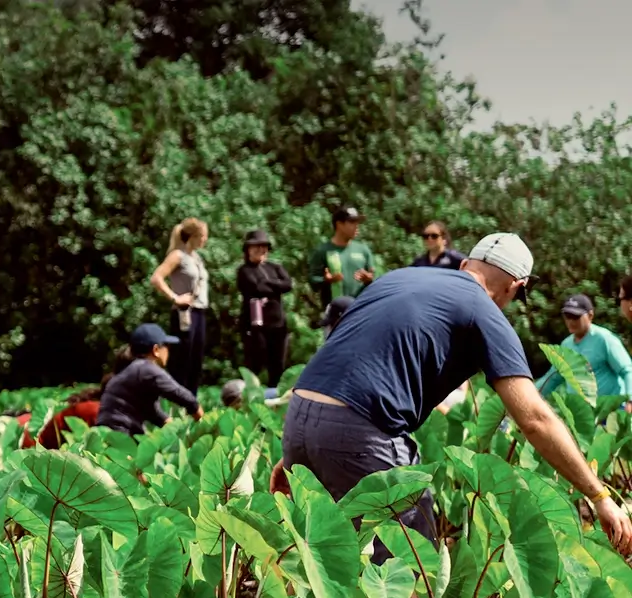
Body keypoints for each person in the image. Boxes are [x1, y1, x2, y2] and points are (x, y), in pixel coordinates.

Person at [274, 233, 632, 557]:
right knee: (412, 562)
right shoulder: (484, 310)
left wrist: (302, 445)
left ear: (464, 265)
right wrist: (598, 495)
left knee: (329, 558)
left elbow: (341, 354)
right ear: (515, 286)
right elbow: (534, 419)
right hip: (359, 431)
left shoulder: (396, 278)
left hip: (301, 416)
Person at [96, 324, 205, 435]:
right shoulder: (147, 369)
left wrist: (171, 427)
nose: (168, 350)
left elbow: (150, 410)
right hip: (121, 432)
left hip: (106, 433)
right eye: (166, 345)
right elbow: (183, 396)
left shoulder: (130, 371)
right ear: (156, 350)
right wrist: (202, 423)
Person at [150, 218, 210, 393]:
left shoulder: (196, 258)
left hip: (199, 312)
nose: (205, 240)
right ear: (193, 236)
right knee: (182, 358)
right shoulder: (177, 256)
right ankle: (176, 397)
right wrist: (175, 298)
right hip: (184, 313)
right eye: (203, 236)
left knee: (196, 360)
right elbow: (156, 278)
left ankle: (192, 400)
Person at [537, 294, 632, 399]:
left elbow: (627, 371)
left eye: (576, 317)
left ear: (590, 315)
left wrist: (630, 400)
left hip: (609, 410)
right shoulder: (566, 345)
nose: (571, 321)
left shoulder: (604, 339)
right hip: (581, 413)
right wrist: (529, 395)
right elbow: (552, 378)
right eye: (567, 317)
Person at [236, 229, 293, 385]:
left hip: (278, 323)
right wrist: (276, 285)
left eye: (264, 247)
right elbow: (256, 288)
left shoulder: (274, 267)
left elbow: (288, 284)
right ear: (248, 249)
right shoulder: (244, 270)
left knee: (278, 365)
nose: (261, 250)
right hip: (256, 326)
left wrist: (268, 282)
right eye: (256, 246)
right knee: (255, 364)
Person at [308, 207, 376, 305]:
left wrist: (369, 279)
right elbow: (313, 281)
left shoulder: (363, 250)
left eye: (358, 222)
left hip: (360, 309)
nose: (357, 226)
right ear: (339, 224)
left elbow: (376, 279)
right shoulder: (322, 251)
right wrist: (327, 280)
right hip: (335, 311)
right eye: (352, 222)